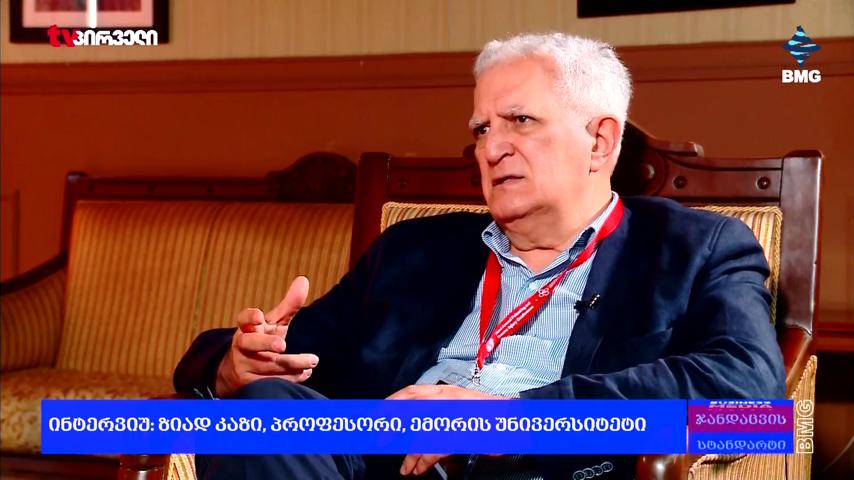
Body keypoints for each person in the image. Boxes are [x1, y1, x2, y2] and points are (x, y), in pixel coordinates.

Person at [174, 32, 785, 480]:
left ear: (599, 142)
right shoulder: (414, 252)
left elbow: (753, 400)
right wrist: (233, 365)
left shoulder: (696, 247)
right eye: (482, 129)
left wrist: (509, 419)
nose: (491, 149)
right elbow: (283, 358)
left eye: (519, 121)